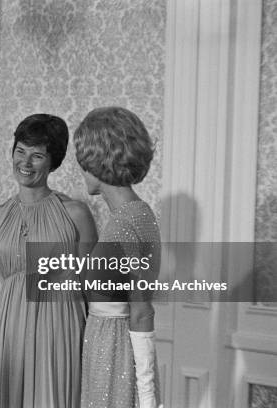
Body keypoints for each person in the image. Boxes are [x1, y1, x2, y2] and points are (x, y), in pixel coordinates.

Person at [0, 114, 98, 408]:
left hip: (60, 333)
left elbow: (95, 291)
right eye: (20, 151)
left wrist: (96, 355)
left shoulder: (76, 214)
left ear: (53, 161)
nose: (25, 163)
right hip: (7, 335)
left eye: (37, 155)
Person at [73, 106, 161, 408]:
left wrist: (148, 398)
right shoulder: (138, 213)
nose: (81, 169)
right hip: (106, 348)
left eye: (83, 161)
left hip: (113, 353)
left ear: (99, 160)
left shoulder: (124, 225)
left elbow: (141, 310)